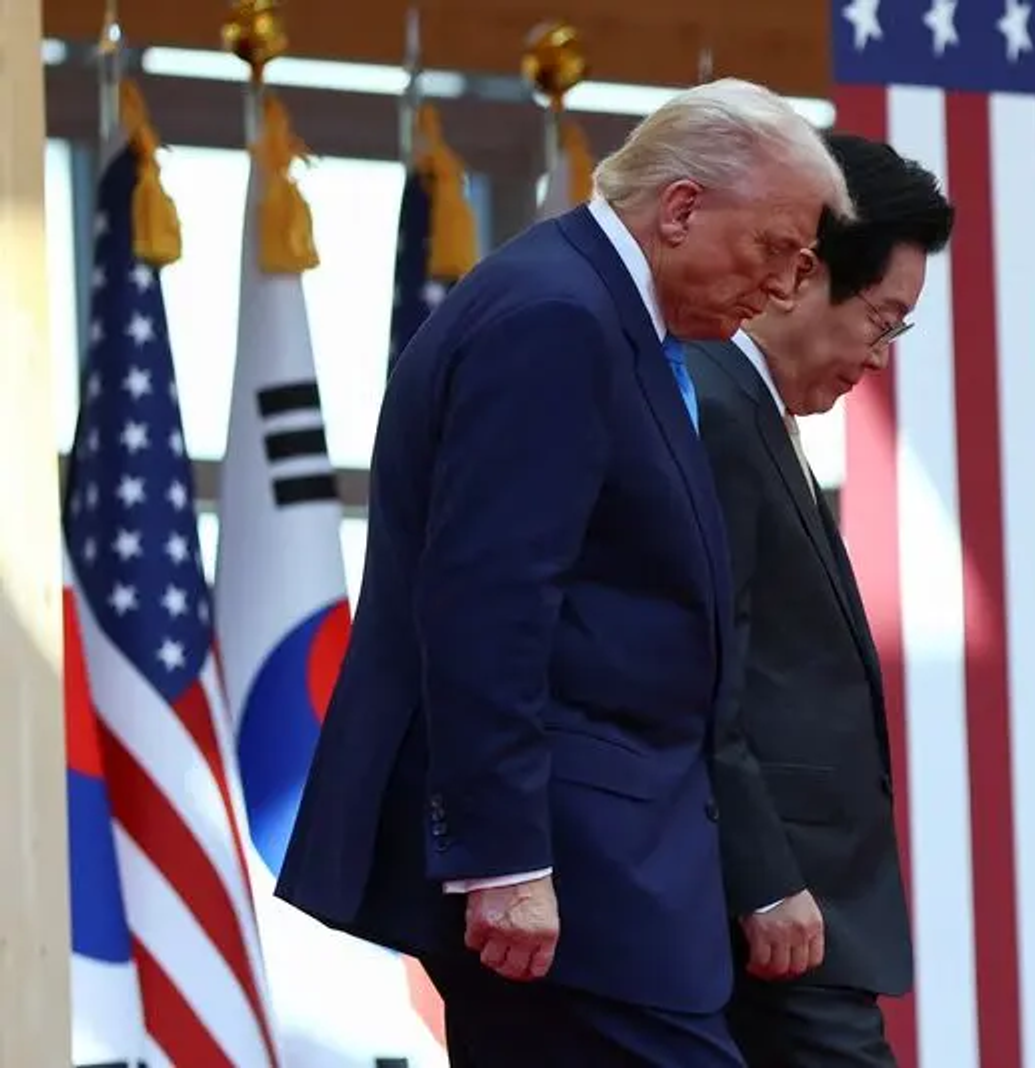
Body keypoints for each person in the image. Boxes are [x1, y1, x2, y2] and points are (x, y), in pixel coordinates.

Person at [273, 79, 852, 1067]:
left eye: (802, 266)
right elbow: (487, 597)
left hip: (613, 870)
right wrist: (504, 856)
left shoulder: (608, 317)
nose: (785, 289)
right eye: (777, 249)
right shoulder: (558, 315)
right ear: (681, 209)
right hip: (572, 872)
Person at [683, 133, 954, 1067]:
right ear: (801, 275)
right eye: (883, 320)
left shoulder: (752, 412)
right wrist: (764, 881)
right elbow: (704, 676)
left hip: (800, 914)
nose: (880, 357)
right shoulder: (716, 408)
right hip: (772, 911)